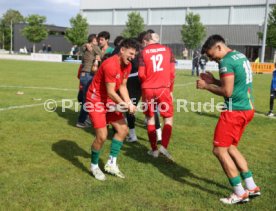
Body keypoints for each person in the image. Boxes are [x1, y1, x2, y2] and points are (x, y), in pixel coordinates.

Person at [197, 34, 260, 204]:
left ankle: (239, 193)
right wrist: (214, 80)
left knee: (219, 150)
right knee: (231, 147)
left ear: (219, 47)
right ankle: (251, 186)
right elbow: (233, 83)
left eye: (211, 55)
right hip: (247, 108)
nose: (211, 60)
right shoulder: (239, 55)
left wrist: (206, 86)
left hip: (234, 111)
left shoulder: (226, 61)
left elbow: (227, 92)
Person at [86, 38, 138, 181]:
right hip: (96, 100)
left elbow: (122, 86)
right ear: (122, 50)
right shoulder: (110, 64)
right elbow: (110, 91)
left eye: (134, 55)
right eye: (131, 53)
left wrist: (128, 103)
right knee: (102, 136)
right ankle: (94, 166)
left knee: (123, 130)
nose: (133, 57)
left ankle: (111, 164)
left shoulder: (127, 66)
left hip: (109, 100)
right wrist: (125, 105)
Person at [138, 32, 175, 160]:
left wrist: (148, 82)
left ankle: (154, 150)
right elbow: (172, 73)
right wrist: (170, 89)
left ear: (145, 41)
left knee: (150, 119)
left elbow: (141, 73)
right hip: (163, 88)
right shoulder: (168, 50)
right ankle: (163, 147)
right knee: (168, 118)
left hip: (148, 89)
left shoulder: (143, 52)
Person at [76, 34, 103, 128]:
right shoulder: (94, 46)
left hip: (84, 74)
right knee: (87, 99)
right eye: (96, 40)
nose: (98, 42)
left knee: (84, 97)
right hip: (89, 74)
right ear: (93, 40)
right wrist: (98, 56)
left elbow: (82, 48)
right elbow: (103, 55)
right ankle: (81, 121)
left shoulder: (85, 46)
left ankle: (84, 118)